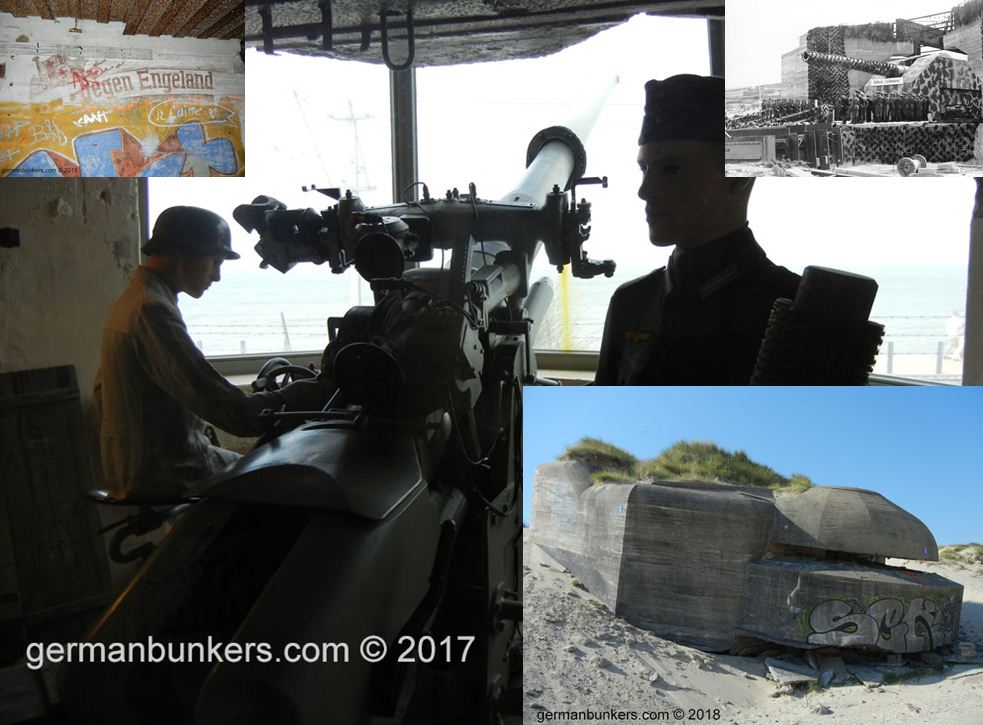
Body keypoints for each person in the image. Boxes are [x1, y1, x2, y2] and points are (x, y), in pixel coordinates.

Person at [94, 206, 331, 501]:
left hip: (139, 461)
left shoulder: (135, 298)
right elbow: (233, 414)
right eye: (215, 261)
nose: (217, 276)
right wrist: (312, 393)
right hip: (161, 469)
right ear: (181, 254)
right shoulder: (152, 310)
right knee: (293, 484)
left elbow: (102, 393)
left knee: (260, 467)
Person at [595, 75, 801, 386]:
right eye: (644, 169)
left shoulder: (797, 313)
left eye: (672, 170)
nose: (645, 190)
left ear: (739, 177)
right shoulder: (631, 303)